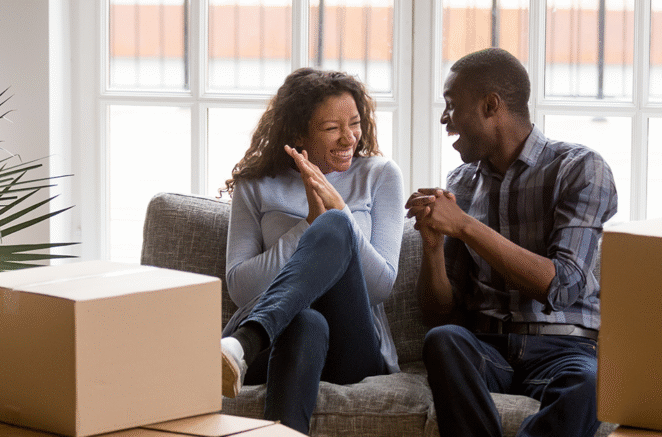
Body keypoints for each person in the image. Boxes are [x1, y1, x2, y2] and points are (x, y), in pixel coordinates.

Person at [405, 48, 618, 437]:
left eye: (452, 105)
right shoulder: (461, 183)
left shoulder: (580, 169)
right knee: (443, 340)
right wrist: (433, 246)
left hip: (565, 350)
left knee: (592, 385)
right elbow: (439, 313)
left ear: (491, 106)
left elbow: (564, 285)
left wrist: (466, 226)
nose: (443, 118)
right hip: (487, 350)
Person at [220, 68, 404, 434]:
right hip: (280, 344)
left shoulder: (380, 175)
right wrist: (307, 224)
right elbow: (240, 286)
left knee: (336, 224)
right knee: (306, 322)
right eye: (332, 128)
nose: (349, 137)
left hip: (352, 346)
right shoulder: (255, 185)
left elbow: (382, 286)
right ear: (298, 133)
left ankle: (245, 340)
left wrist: (338, 214)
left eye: (354, 123)